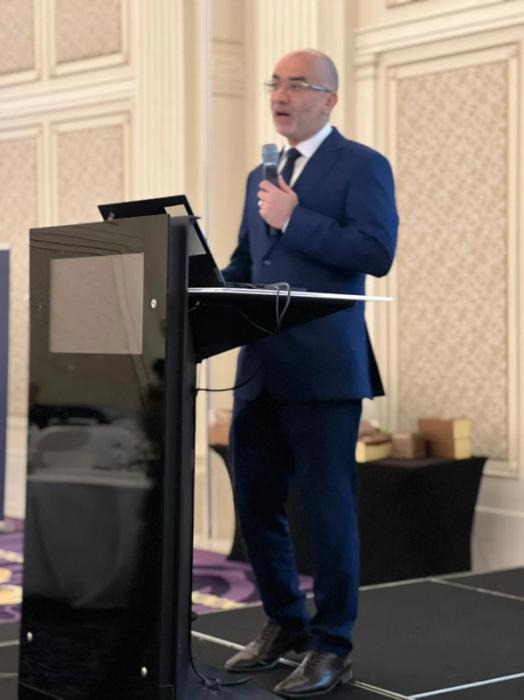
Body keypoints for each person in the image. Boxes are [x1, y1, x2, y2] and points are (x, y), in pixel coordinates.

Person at [221, 49, 398, 698]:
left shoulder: (362, 165)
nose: (280, 94)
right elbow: (247, 266)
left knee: (327, 511)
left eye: (297, 84)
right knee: (255, 503)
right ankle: (285, 624)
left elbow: (376, 252)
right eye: (275, 83)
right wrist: (196, 285)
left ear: (329, 99)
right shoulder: (260, 176)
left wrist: (296, 218)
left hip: (324, 370)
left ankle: (332, 646)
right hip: (260, 368)